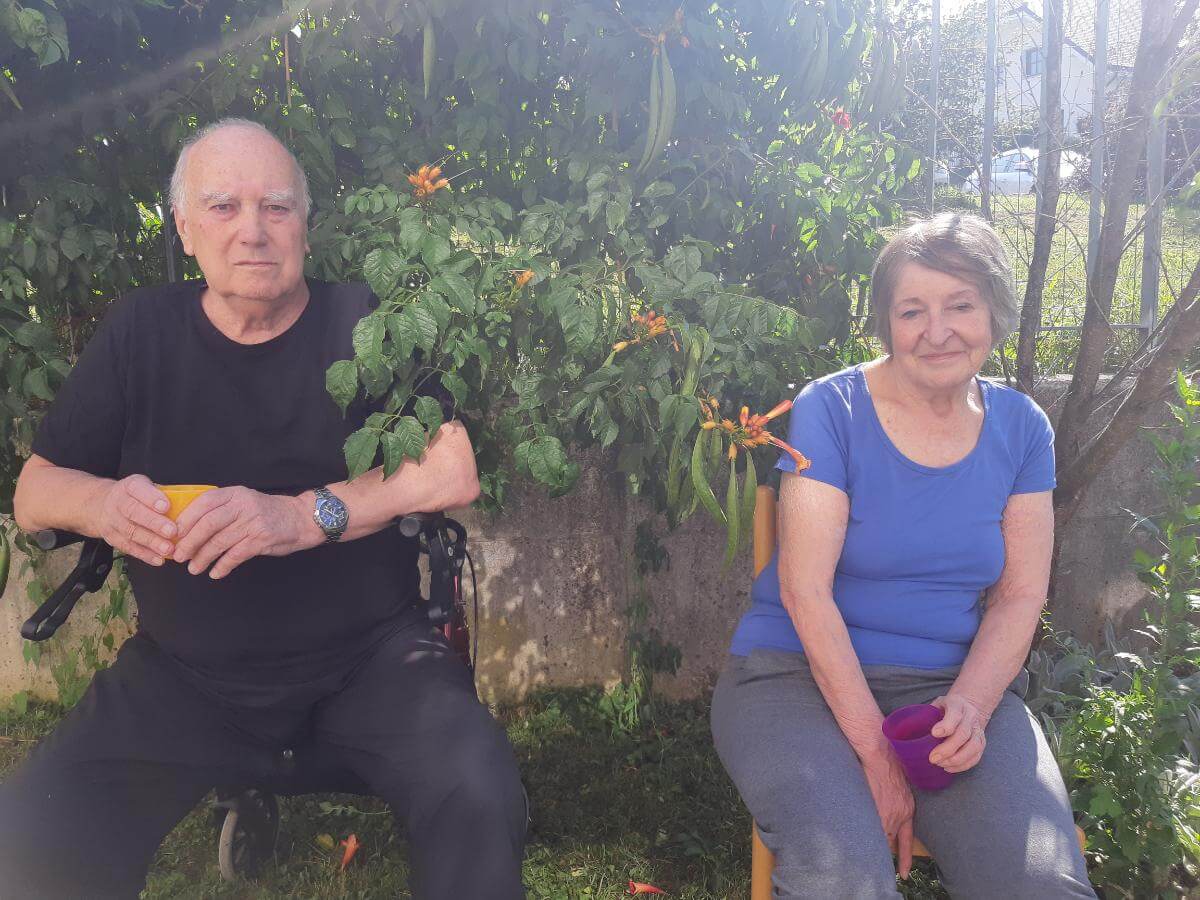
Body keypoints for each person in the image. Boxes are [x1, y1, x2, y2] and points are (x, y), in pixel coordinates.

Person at [1, 118, 527, 899]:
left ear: (305, 226)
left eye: (276, 207)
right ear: (185, 229)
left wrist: (303, 516)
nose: (253, 230)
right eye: (223, 206)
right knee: (34, 829)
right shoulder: (140, 333)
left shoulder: (365, 322)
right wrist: (104, 503)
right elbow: (34, 491)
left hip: (373, 663)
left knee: (477, 785)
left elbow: (453, 465)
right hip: (184, 676)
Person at [711, 213, 1096, 899]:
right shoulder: (832, 408)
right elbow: (805, 591)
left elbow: (1019, 595)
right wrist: (876, 752)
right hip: (793, 679)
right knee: (845, 884)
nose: (937, 331)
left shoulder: (1022, 428)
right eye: (912, 310)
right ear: (887, 324)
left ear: (994, 312)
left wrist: (971, 706)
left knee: (1041, 885)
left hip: (949, 688)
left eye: (960, 305)